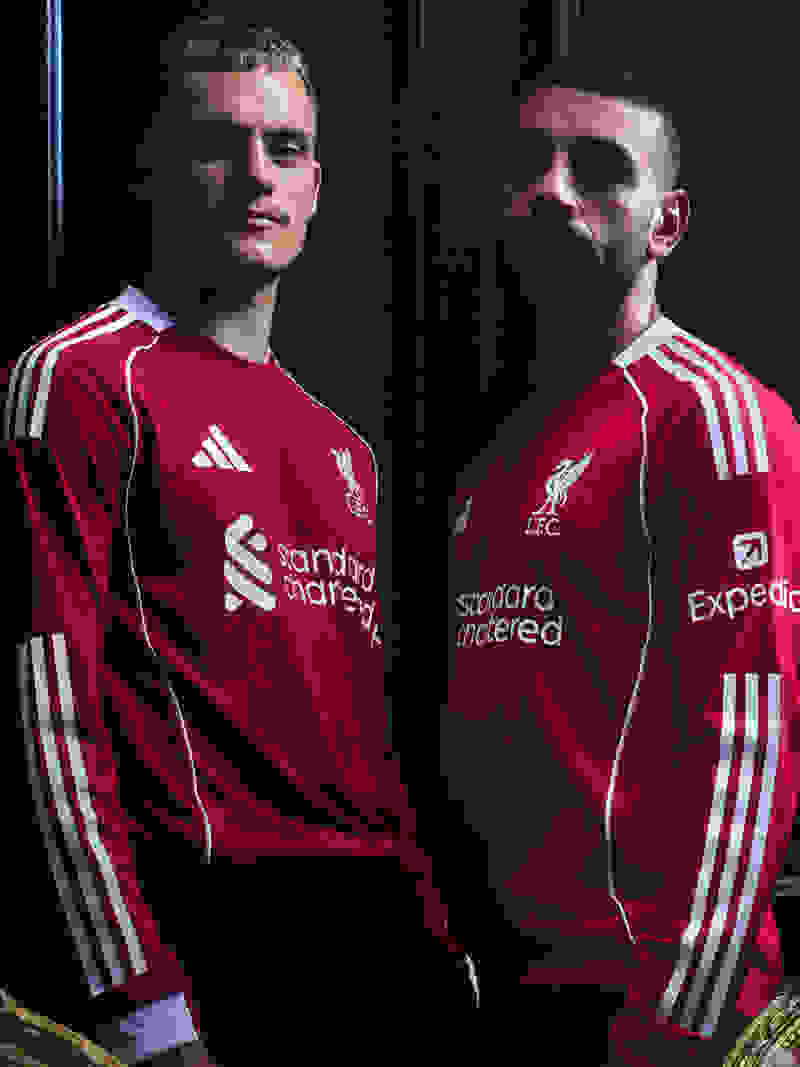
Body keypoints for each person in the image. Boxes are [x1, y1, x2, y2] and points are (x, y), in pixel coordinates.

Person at [0, 11, 476, 1067]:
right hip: (212, 940)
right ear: (155, 169)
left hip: (383, 951)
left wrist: (438, 941)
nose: (257, 175)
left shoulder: (343, 446)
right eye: (219, 145)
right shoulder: (79, 377)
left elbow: (363, 738)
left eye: (286, 148)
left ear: (315, 184)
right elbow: (46, 709)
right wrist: (140, 997)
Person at [442, 43, 800, 1065]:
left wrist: (679, 1018)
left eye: (597, 169)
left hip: (658, 1006)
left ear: (666, 222)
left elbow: (748, 735)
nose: (555, 192)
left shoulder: (710, 415)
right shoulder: (489, 461)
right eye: (531, 165)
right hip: (518, 994)